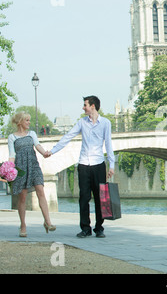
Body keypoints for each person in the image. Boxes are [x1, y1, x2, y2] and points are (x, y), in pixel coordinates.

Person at [46, 96, 115, 238]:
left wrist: (111, 165)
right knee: (83, 198)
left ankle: (99, 228)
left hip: (98, 164)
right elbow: (68, 136)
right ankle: (85, 228)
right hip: (83, 164)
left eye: (85, 105)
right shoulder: (82, 123)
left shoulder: (105, 123)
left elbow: (108, 144)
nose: (83, 107)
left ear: (93, 106)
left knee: (100, 198)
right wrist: (52, 151)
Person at [8, 112, 56, 238]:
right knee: (22, 197)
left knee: (41, 190)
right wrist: (9, 167)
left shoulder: (32, 134)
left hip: (34, 166)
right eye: (27, 120)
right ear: (20, 122)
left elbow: (38, 145)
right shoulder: (12, 137)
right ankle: (23, 225)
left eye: (29, 120)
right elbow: (12, 155)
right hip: (21, 168)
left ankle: (48, 221)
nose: (29, 122)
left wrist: (44, 153)